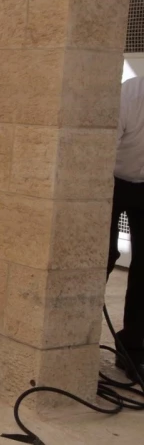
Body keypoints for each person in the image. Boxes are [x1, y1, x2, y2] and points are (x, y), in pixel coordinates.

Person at [109, 75, 144, 378]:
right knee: (102, 258)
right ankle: (74, 342)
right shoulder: (128, 96)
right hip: (113, 180)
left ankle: (132, 348)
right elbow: (105, 152)